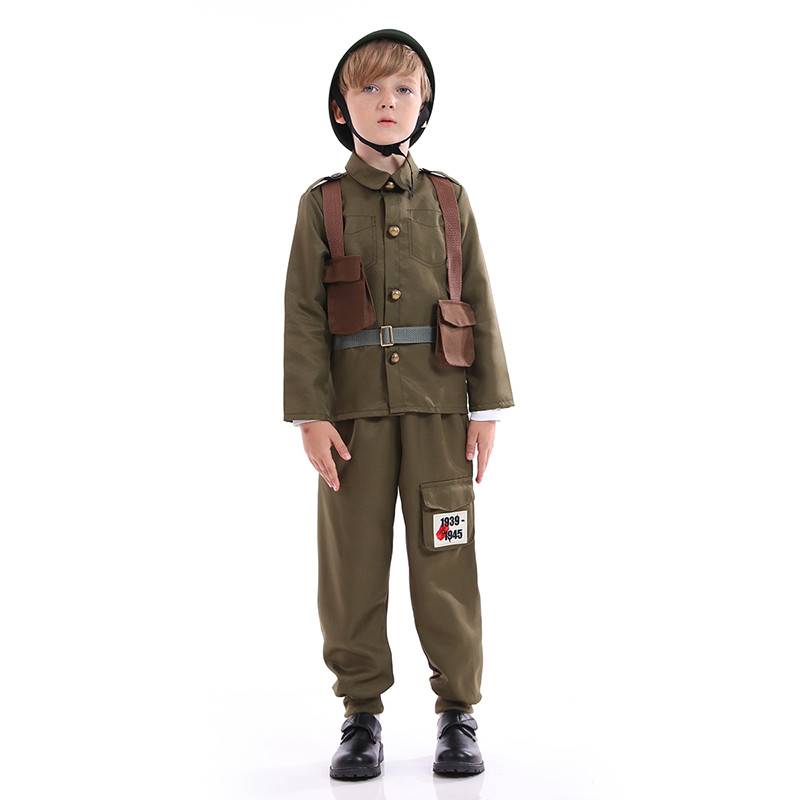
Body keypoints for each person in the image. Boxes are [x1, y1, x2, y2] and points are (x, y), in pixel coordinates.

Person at [283, 29, 513, 780]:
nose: (388, 102)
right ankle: (360, 714)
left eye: (404, 89)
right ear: (340, 108)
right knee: (350, 566)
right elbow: (304, 316)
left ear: (425, 104)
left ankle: (458, 712)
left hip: (440, 412)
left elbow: (478, 298)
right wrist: (311, 414)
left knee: (446, 560)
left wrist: (486, 409)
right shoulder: (323, 203)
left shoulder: (448, 199)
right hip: (351, 421)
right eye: (370, 89)